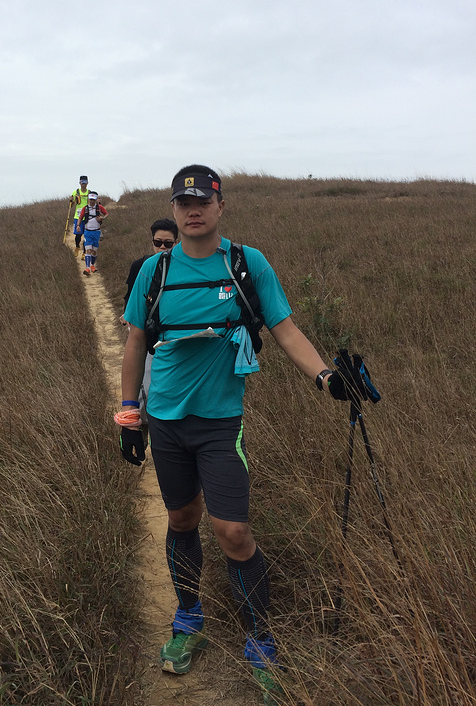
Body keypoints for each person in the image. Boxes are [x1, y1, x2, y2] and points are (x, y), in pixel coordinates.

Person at [119, 164, 350, 702]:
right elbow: (134, 342)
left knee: (234, 532)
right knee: (181, 517)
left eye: (202, 200)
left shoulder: (247, 264)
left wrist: (326, 378)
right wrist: (130, 415)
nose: (192, 209)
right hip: (167, 423)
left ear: (222, 206)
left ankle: (261, 642)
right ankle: (190, 618)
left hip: (222, 423)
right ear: (175, 211)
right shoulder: (154, 273)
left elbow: (285, 329)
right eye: (183, 202)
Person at [119, 218, 179, 429]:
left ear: (177, 242)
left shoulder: (180, 268)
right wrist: (127, 314)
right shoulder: (141, 266)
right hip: (141, 330)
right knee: (143, 375)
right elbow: (130, 295)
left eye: (168, 243)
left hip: (168, 335)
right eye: (158, 242)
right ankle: (142, 421)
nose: (162, 247)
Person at [78, 192, 108, 276]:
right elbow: (80, 217)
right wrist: (78, 225)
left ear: (95, 200)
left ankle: (92, 266)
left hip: (96, 232)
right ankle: (87, 268)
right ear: (88, 199)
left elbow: (106, 214)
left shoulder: (99, 207)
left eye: (93, 200)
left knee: (94, 251)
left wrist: (103, 218)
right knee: (88, 250)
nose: (92, 201)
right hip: (87, 232)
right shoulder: (85, 208)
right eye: (90, 200)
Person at [69, 175, 90, 257]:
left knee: (86, 235)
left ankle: (84, 252)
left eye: (85, 183)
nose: (83, 185)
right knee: (78, 235)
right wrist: (71, 201)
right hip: (78, 217)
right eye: (82, 183)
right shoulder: (75, 192)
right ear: (80, 183)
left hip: (87, 217)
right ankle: (77, 247)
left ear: (87, 183)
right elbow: (71, 206)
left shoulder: (89, 193)